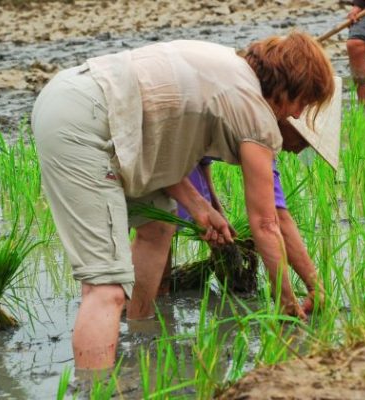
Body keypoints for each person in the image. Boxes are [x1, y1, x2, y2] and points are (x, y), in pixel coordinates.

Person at [31, 32, 335, 371]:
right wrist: (288, 306)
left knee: (158, 223)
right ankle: (97, 389)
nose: (297, 113)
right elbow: (265, 223)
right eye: (304, 104)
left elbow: (156, 139)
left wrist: (201, 209)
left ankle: (140, 330)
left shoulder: (225, 67)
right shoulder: (254, 111)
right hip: (83, 125)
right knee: (105, 288)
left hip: (76, 97)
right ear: (290, 87)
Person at [162, 157, 325, 312]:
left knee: (166, 224)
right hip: (161, 153)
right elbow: (272, 219)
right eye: (301, 140)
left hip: (176, 152)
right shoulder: (261, 138)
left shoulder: (266, 144)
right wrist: (302, 293)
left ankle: (162, 302)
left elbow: (202, 158)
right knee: (163, 222)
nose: (296, 150)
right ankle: (154, 314)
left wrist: (215, 209)